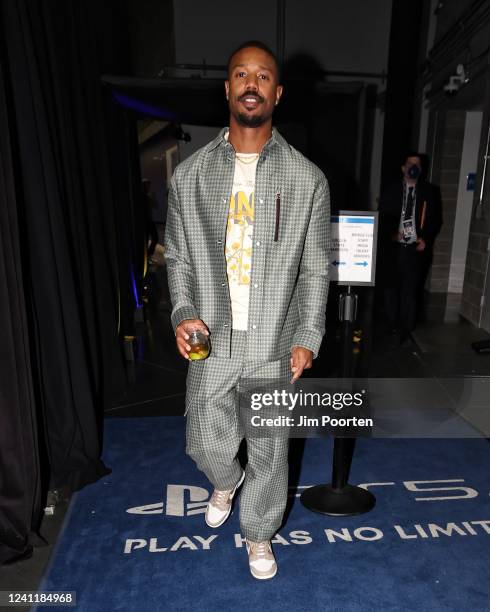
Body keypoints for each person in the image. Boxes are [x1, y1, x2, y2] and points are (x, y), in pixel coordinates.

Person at [164, 40, 330, 579]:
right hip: (211, 339)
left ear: (277, 93)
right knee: (203, 443)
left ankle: (258, 536)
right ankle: (225, 479)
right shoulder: (189, 178)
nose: (251, 83)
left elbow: (315, 267)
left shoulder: (308, 180)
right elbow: (180, 260)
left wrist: (308, 334)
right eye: (241, 74)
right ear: (228, 87)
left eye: (262, 76)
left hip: (274, 342)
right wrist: (182, 313)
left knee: (271, 453)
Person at [378, 152, 442, 344]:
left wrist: (426, 239)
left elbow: (435, 220)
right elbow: (383, 218)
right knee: (391, 289)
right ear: (403, 168)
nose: (413, 167)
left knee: (409, 290)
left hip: (415, 249)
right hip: (394, 248)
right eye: (410, 164)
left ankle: (407, 328)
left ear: (420, 170)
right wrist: (392, 235)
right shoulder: (392, 190)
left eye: (417, 165)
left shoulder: (430, 192)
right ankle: (391, 324)